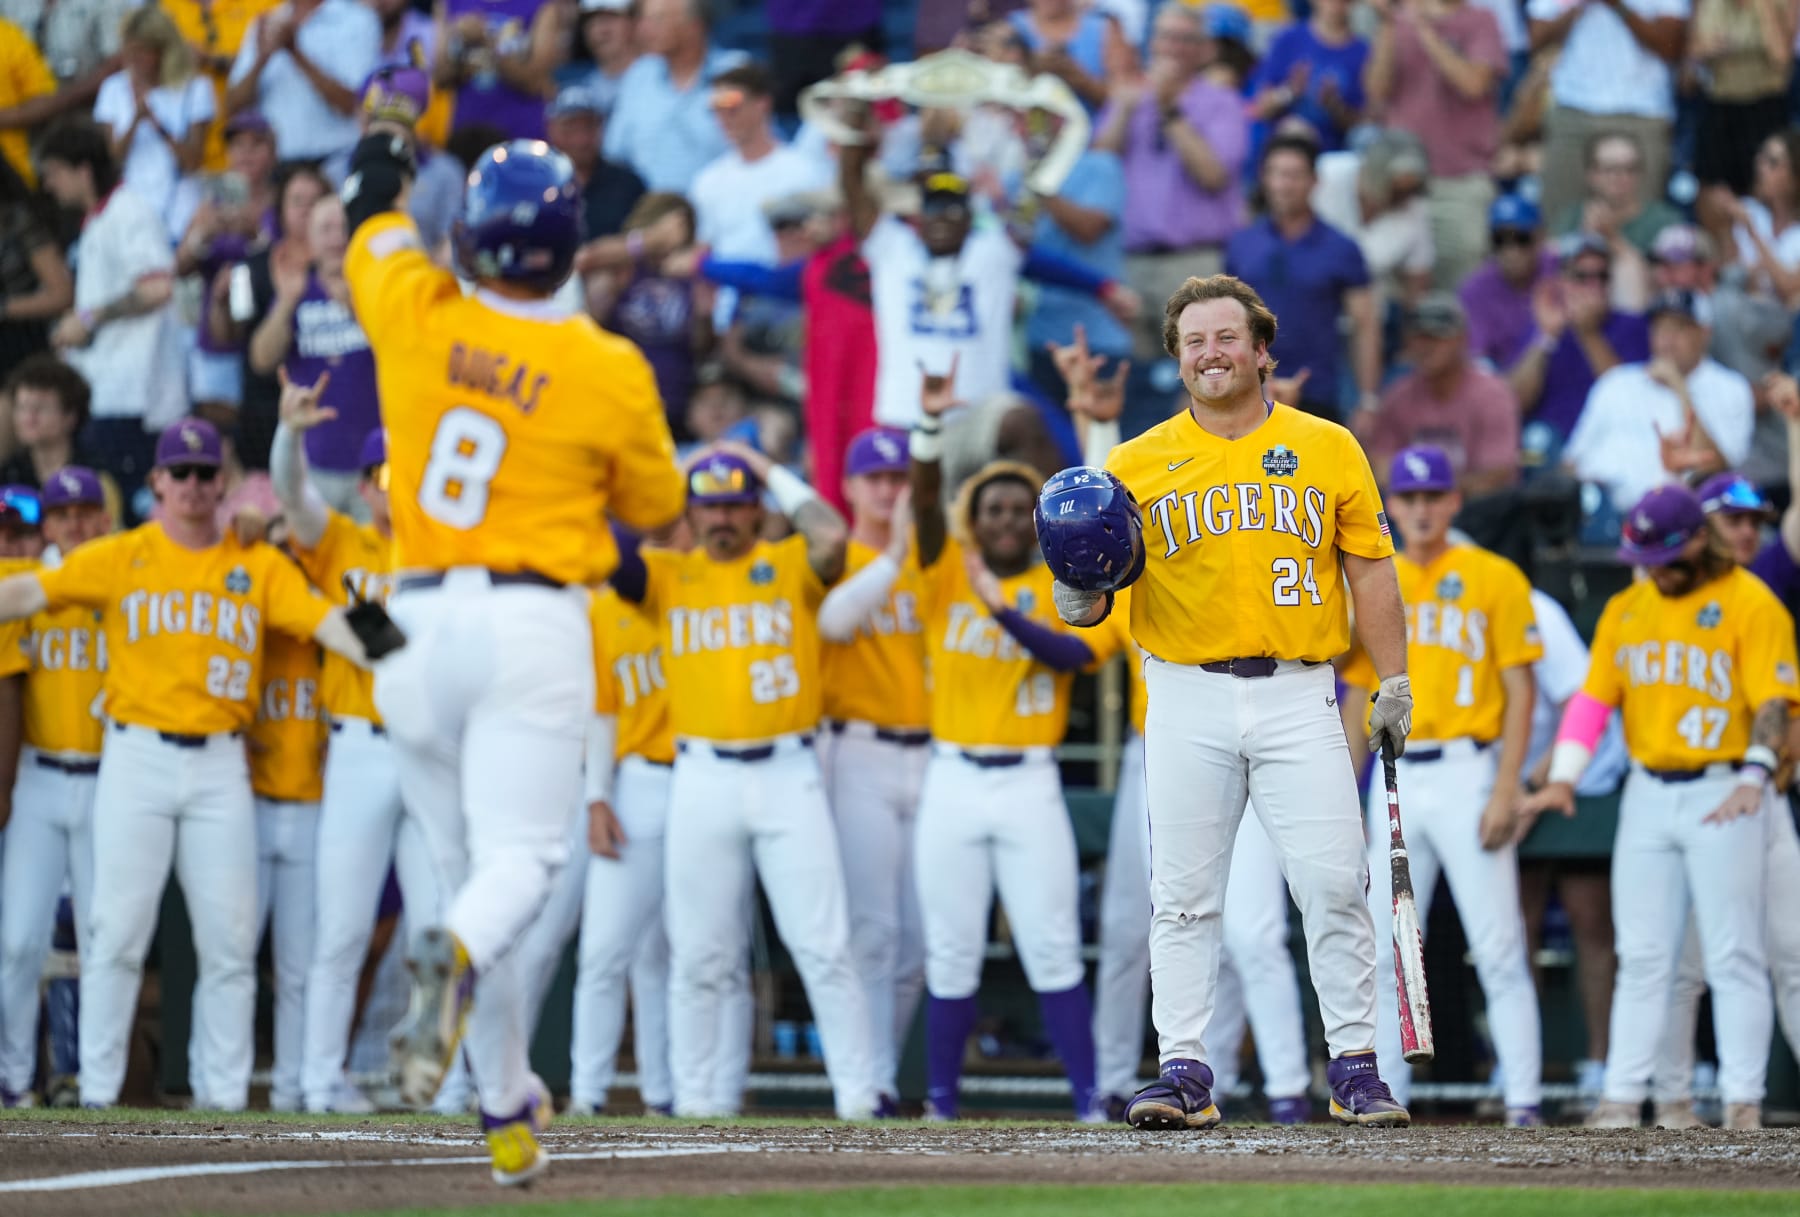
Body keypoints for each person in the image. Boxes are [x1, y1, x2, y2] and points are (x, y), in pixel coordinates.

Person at [344, 133, 684, 1182]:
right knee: (521, 867)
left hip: (409, 622)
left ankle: (503, 1111)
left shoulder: (413, 305)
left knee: (465, 879)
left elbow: (368, 216)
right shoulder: (604, 361)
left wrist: (386, 157)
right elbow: (658, 506)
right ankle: (449, 974)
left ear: (467, 239)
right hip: (531, 624)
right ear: (574, 245)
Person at [1052, 273, 1413, 1128]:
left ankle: (1355, 1065)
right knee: (1181, 892)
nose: (1211, 353)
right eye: (1194, 342)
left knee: (1332, 881)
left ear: (1262, 350)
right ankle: (1183, 1068)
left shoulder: (1329, 446)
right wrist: (1077, 591)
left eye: (1225, 338)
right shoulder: (1133, 462)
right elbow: (1096, 587)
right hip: (1184, 690)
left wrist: (1392, 676)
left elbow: (1371, 569)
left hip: (1298, 688)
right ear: (1177, 360)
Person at [0, 417, 372, 1110]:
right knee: (114, 933)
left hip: (220, 767)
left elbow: (326, 621)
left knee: (229, 942)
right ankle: (101, 1096)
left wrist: (400, 646)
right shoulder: (125, 553)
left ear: (223, 485)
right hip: (135, 755)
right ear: (157, 483)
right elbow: (25, 594)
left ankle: (222, 1100)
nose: (195, 486)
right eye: (182, 474)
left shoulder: (254, 562)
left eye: (207, 475)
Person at [608, 444, 878, 1121]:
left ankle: (859, 1097)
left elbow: (831, 533)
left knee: (823, 944)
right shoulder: (668, 574)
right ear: (689, 514)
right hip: (700, 774)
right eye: (709, 505)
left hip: (789, 769)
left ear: (756, 509)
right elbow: (609, 546)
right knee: (701, 952)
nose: (723, 516)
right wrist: (672, 481)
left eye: (735, 502)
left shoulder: (787, 562)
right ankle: (699, 1101)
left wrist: (768, 469)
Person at [1521, 484, 1798, 1131]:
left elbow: (1773, 702)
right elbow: (1592, 701)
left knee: (1733, 956)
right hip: (1649, 789)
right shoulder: (1627, 607)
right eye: (1646, 559)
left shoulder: (1749, 600)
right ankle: (1621, 1097)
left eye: (1666, 557)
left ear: (1699, 540)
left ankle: (1742, 1102)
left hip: (1725, 784)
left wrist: (1757, 773)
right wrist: (1564, 773)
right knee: (1644, 954)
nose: (1656, 570)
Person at [905, 373, 1108, 1121]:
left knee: (1052, 945)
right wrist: (930, 432)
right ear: (974, 516)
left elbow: (1071, 658)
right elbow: (925, 504)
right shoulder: (946, 572)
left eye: (1018, 508)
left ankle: (1088, 1099)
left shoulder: (1064, 582)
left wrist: (1000, 608)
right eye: (990, 508)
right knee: (952, 950)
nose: (1003, 519)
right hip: (953, 778)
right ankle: (940, 1101)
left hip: (1030, 782)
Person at [1338, 444, 1544, 1126]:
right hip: (1393, 770)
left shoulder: (1493, 574)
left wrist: (1506, 785)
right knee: (1385, 940)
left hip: (1466, 766)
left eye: (1433, 497)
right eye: (1409, 498)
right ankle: (1382, 1092)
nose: (1421, 509)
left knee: (1497, 943)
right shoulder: (1375, 575)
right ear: (1391, 504)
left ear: (1453, 500)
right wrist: (1346, 790)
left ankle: (1523, 1099)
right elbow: (1357, 688)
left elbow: (1522, 688)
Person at [266, 378, 420, 1115]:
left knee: (438, 920)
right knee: (344, 923)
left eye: (410, 475)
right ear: (366, 485)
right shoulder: (344, 540)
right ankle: (322, 1077)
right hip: (359, 745)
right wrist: (289, 435)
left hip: (426, 748)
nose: (398, 490)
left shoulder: (448, 557)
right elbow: (292, 498)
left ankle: (448, 1079)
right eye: (387, 477)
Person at [1649, 470, 1800, 1128]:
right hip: (1693, 792)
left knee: (1791, 952)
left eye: (1752, 521)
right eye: (1730, 519)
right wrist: (1675, 478)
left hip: (1762, 792)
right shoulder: (1666, 590)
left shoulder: (1760, 580)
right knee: (1679, 962)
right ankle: (1673, 1101)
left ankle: (1727, 1102)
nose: (1746, 531)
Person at [815, 426, 928, 1115]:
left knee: (917, 939)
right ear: (850, 487)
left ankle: (879, 1072)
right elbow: (831, 625)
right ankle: (866, 1084)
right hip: (855, 749)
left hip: (933, 753)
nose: (888, 490)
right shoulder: (836, 557)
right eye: (875, 478)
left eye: (899, 479)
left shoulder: (935, 560)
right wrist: (891, 552)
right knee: (870, 930)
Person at [0, 468, 104, 1107]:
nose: (71, 524)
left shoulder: (126, 574)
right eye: (59, 516)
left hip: (108, 778)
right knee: (18, 939)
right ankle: (14, 1080)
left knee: (102, 939)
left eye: (83, 511)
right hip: (40, 778)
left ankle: (92, 1080)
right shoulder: (23, 586)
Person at [37, 118, 185, 521]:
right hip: (108, 390)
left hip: (135, 395)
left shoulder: (129, 211)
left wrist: (88, 317)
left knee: (127, 511)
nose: (49, 185)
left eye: (54, 173)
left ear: (83, 170)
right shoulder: (97, 219)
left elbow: (159, 288)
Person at [244, 513, 327, 1113]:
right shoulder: (246, 628)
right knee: (234, 955)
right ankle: (215, 1083)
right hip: (247, 806)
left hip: (313, 809)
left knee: (300, 964)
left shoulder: (327, 635)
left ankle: (294, 1087)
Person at [1226, 134, 1379, 421]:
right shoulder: (1241, 244)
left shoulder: (1341, 248)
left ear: (1314, 180)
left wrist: (1368, 399)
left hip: (1318, 391)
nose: (1285, 185)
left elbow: (1365, 324)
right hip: (1248, 389)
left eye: (1295, 175)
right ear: (1264, 178)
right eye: (1277, 174)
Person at [1562, 289, 1753, 513]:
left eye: (1679, 328)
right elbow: (1571, 462)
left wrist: (1679, 389)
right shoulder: (1617, 381)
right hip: (1599, 512)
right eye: (1660, 329)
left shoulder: (1731, 388)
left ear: (1705, 332)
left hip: (1676, 518)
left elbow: (1716, 472)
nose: (1667, 340)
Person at [1363, 0, 1508, 290]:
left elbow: (1473, 84)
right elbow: (1376, 91)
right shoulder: (1396, 22)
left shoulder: (1481, 20)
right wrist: (1390, 26)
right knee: (1396, 293)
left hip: (1461, 183)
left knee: (1463, 289)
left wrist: (1425, 30)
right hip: (1402, 186)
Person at [1527, 0, 1687, 223]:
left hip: (1643, 112)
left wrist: (1616, 5)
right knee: (1561, 222)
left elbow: (1671, 46)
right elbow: (1535, 40)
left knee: (1643, 224)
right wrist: (1578, 7)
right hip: (1573, 110)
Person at [1359, 293, 1521, 496]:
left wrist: (1431, 491)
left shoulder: (1492, 395)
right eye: (1419, 337)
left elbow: (1496, 476)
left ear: (1461, 340)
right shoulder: (1398, 396)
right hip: (1412, 510)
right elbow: (1381, 469)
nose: (1425, 346)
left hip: (1477, 512)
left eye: (1437, 337)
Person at [93, 7, 214, 242]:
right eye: (130, 50)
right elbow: (113, 158)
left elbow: (192, 161)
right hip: (133, 212)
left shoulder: (195, 88)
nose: (134, 60)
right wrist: (136, 119)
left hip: (181, 212)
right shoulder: (113, 89)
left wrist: (159, 127)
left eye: (142, 51)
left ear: (163, 51)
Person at [603, 0, 746, 194]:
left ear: (694, 25)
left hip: (719, 208)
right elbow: (614, 153)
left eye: (658, 19)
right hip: (650, 213)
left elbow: (756, 151)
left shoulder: (733, 72)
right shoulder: (639, 75)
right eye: (643, 19)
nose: (644, 28)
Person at [226, 0, 381, 164]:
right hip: (277, 168)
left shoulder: (358, 20)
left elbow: (352, 104)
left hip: (336, 160)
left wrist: (295, 52)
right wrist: (261, 60)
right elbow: (234, 106)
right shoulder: (267, 23)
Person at [436, 0, 565, 142]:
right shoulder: (450, 2)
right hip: (468, 131)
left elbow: (535, 82)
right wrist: (458, 37)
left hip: (522, 129)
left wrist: (487, 38)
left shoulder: (543, 4)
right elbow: (441, 77)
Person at [1461, 193, 1551, 375]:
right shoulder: (1475, 290)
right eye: (1499, 240)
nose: (1511, 251)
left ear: (1540, 238)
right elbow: (1478, 362)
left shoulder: (1561, 268)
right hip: (1505, 384)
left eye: (1521, 239)